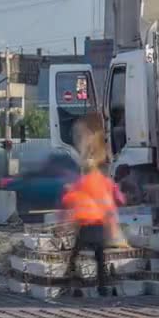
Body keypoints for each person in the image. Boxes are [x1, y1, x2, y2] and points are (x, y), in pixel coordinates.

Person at [62, 116, 126, 297]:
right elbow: (119, 200)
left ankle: (71, 284)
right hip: (100, 226)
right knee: (100, 258)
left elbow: (69, 200)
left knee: (75, 256)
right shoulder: (105, 182)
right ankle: (102, 286)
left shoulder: (82, 183)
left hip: (85, 226)